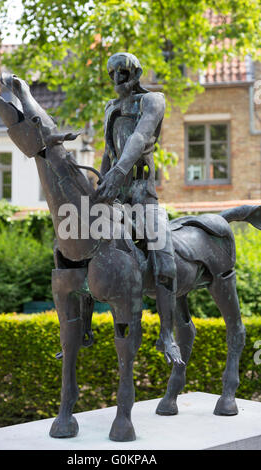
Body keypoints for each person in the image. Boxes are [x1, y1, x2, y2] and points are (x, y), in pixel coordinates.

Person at [95, 52, 183, 366]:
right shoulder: (110, 107)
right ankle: (80, 332)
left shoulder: (153, 101)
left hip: (143, 197)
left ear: (136, 72)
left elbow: (140, 137)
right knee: (78, 248)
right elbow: (108, 151)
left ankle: (167, 335)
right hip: (116, 201)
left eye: (124, 71)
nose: (118, 78)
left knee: (165, 262)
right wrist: (100, 188)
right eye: (113, 73)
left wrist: (119, 173)